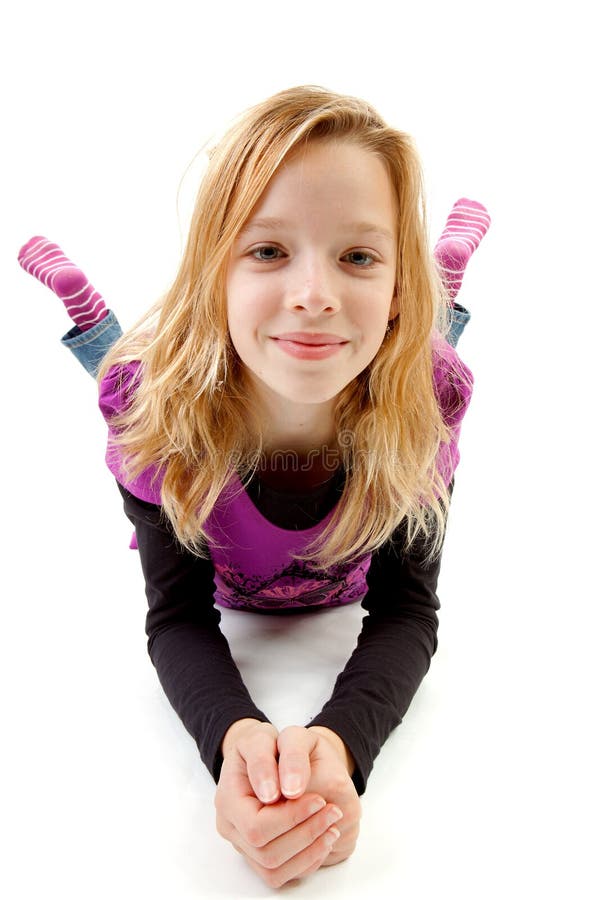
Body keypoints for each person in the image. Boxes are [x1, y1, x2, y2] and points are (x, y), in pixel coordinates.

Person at [18, 85, 490, 888]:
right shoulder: (156, 426)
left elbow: (409, 608)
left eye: (360, 255)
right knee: (131, 379)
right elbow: (176, 616)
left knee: (425, 345)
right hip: (183, 395)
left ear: (393, 282)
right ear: (214, 276)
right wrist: (233, 735)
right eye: (268, 251)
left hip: (407, 345)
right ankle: (85, 307)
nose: (314, 295)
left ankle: (440, 270)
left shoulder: (429, 403)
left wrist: (341, 742)